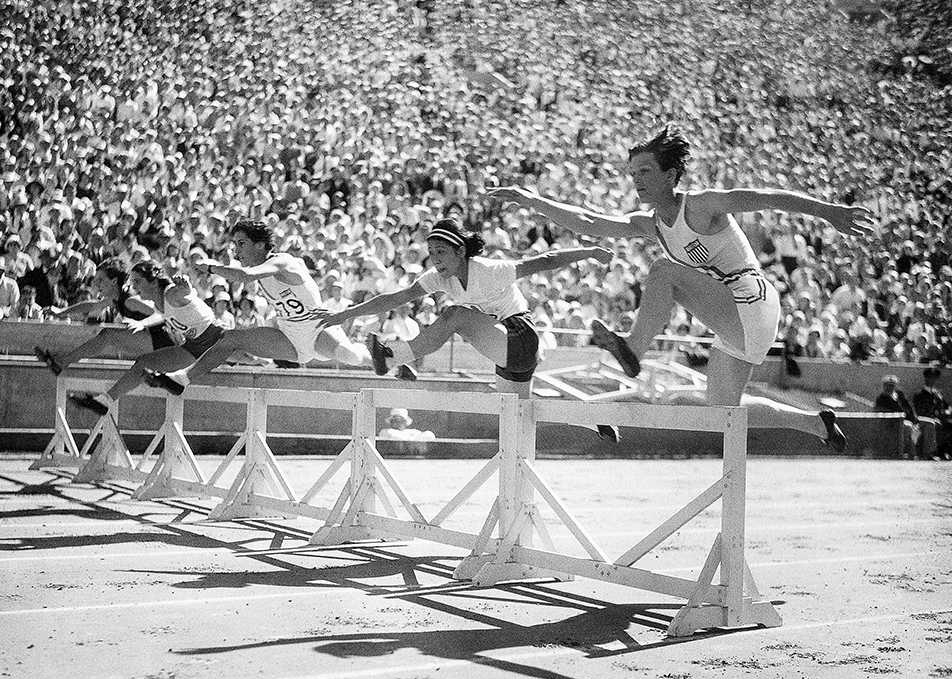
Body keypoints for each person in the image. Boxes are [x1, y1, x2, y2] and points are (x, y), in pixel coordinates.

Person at [490, 125, 875, 451]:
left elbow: (767, 197)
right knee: (721, 414)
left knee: (664, 272)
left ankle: (633, 350)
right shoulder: (651, 223)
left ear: (671, 175)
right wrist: (531, 199)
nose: (636, 180)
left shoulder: (703, 205)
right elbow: (589, 220)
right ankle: (815, 424)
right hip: (734, 316)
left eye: (644, 171)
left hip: (751, 297)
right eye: (632, 173)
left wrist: (830, 212)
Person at [319, 218, 612, 399]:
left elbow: (545, 260)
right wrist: (343, 315)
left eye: (442, 252)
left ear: (461, 251)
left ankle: (393, 357)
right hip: (503, 348)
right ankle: (590, 422)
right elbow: (396, 298)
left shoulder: (490, 270)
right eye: (431, 253)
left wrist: (591, 252)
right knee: (520, 410)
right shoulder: (438, 278)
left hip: (521, 338)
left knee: (454, 315)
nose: (435, 260)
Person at [142, 218, 369, 395]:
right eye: (235, 245)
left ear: (260, 245)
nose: (236, 251)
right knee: (229, 338)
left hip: (319, 329)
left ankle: (382, 358)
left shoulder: (283, 261)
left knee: (350, 356)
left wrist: (211, 268)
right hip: (289, 337)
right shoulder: (260, 268)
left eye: (241, 244)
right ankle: (180, 379)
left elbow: (245, 276)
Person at [67, 260, 224, 417]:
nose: (134, 287)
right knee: (143, 363)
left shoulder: (170, 293)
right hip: (194, 347)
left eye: (138, 281)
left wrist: (187, 288)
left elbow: (183, 292)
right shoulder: (157, 304)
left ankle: (170, 381)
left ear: (154, 282)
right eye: (132, 281)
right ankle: (104, 401)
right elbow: (159, 315)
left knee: (248, 358)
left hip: (218, 337)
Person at [33, 256, 176, 376]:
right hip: (152, 341)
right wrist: (60, 312)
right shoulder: (115, 297)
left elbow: (161, 313)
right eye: (95, 279)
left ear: (114, 281)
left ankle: (61, 362)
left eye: (101, 280)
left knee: (108, 335)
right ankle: (62, 361)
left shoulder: (130, 300)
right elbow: (92, 305)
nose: (95, 283)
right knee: (107, 336)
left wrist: (142, 323)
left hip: (164, 342)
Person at [875, 373, 920, 458]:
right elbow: (879, 411)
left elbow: (908, 408)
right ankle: (912, 453)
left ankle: (919, 452)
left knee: (917, 427)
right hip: (891, 422)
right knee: (907, 427)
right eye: (887, 385)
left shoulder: (899, 395)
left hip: (905, 420)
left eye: (892, 385)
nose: (890, 387)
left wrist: (915, 420)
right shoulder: (881, 398)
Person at [913, 366, 950, 459]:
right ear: (926, 378)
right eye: (930, 377)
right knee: (935, 423)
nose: (932, 380)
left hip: (938, 418)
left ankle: (945, 451)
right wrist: (937, 414)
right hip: (923, 419)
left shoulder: (937, 394)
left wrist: (946, 411)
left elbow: (946, 406)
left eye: (934, 377)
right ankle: (929, 453)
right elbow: (920, 410)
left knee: (949, 425)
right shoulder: (919, 394)